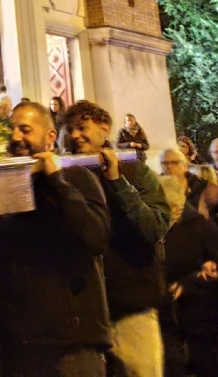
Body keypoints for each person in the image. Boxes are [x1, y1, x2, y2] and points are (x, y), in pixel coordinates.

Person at [0, 102, 112, 377]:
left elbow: (95, 237)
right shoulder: (2, 191)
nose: (15, 137)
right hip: (19, 345)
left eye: (25, 129)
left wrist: (57, 182)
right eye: (11, 130)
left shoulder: (76, 178)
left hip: (72, 346)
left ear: (50, 137)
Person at [65, 100, 171, 377]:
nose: (75, 136)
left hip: (130, 308)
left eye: (81, 128)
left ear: (105, 129)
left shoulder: (134, 171)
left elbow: (154, 227)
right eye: (70, 130)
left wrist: (116, 182)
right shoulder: (66, 178)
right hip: (84, 316)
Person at [158, 176, 218, 377]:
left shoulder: (203, 228)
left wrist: (190, 283)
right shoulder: (154, 228)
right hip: (165, 312)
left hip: (201, 314)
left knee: (205, 364)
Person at [162, 147, 214, 216]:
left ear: (185, 165)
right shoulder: (156, 187)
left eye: (175, 162)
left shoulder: (202, 185)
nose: (169, 166)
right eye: (165, 163)